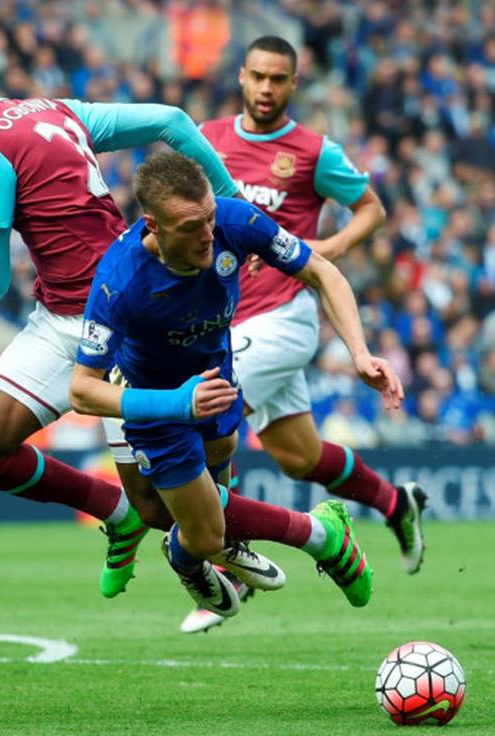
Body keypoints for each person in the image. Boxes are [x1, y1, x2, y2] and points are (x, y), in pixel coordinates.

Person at [0, 51, 243, 595]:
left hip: (115, 327)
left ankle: (314, 535)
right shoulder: (54, 110)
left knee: (162, 507)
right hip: (61, 315)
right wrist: (231, 202)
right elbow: (172, 122)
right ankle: (118, 513)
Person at [71, 151, 405, 617]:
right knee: (206, 532)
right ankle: (323, 535)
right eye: (191, 227)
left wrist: (360, 352)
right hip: (157, 403)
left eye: (209, 217)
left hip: (218, 382)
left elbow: (322, 272)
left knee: (211, 518)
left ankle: (188, 558)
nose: (209, 235)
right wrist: (176, 404)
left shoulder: (234, 220)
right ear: (153, 226)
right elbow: (82, 390)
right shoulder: (118, 281)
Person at [181, 36, 428, 632]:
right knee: (300, 458)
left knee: (209, 415)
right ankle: (397, 504)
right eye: (258, 76)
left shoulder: (314, 152)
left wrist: (329, 247)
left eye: (279, 79)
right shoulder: (208, 139)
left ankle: (232, 565)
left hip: (286, 317)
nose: (267, 88)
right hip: (228, 318)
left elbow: (370, 207)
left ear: (294, 84)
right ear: (242, 77)